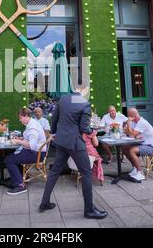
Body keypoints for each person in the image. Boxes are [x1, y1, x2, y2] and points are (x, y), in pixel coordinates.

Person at [39, 86, 108, 219]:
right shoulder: (85, 103)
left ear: (74, 88)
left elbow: (54, 118)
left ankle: (44, 203)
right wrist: (93, 131)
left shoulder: (63, 99)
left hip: (61, 141)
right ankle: (89, 210)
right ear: (85, 89)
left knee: (54, 172)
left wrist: (54, 133)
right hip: (75, 143)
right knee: (87, 173)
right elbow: (84, 127)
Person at [5, 108, 47, 195]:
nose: (19, 120)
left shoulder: (33, 127)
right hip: (35, 151)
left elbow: (31, 145)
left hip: (37, 154)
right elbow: (30, 139)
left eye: (20, 118)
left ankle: (20, 185)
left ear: (26, 116)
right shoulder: (31, 124)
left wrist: (17, 141)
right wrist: (20, 138)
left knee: (9, 160)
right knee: (10, 156)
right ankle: (19, 178)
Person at [122, 108, 153, 182]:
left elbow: (132, 134)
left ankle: (140, 173)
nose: (127, 117)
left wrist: (129, 125)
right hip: (144, 143)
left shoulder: (142, 122)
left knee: (132, 150)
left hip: (152, 146)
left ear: (133, 116)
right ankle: (135, 168)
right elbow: (126, 132)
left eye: (128, 115)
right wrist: (127, 127)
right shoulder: (135, 122)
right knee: (124, 147)